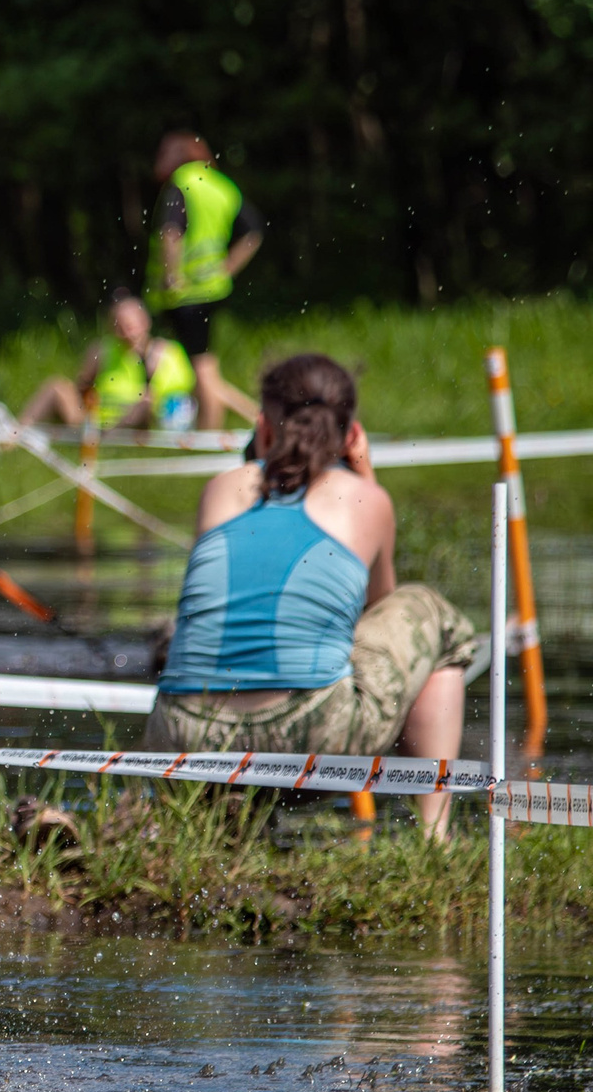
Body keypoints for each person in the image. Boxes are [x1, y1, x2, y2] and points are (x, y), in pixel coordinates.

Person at [147, 354, 474, 839]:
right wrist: (366, 477)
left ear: (263, 427)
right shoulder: (364, 500)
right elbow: (378, 608)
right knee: (435, 619)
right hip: (314, 733)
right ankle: (433, 835)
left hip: (184, 735)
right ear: (351, 434)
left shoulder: (219, 489)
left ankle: (225, 816)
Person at [147, 131, 264, 430]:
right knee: (203, 366)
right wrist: (227, 268)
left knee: (201, 369)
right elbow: (252, 234)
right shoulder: (222, 186)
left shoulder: (183, 182)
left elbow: (171, 232)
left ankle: (210, 434)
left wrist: (171, 275)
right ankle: (260, 420)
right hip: (213, 289)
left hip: (185, 295)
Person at [17, 287, 207, 432]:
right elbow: (80, 388)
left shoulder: (167, 352)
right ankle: (15, 435)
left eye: (131, 327)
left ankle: (108, 435)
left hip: (146, 419)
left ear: (145, 323)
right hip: (98, 417)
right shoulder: (102, 349)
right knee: (55, 385)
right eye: (120, 327)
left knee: (145, 403)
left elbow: (189, 391)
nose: (126, 333)